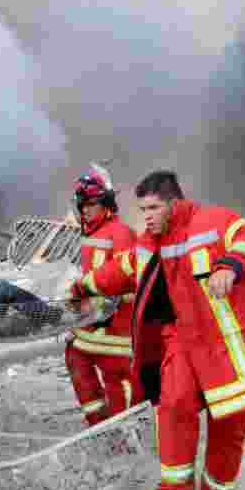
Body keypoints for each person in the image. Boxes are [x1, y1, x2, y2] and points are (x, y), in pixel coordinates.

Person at [69, 170, 245, 490]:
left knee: (228, 428)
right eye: (142, 209)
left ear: (174, 202)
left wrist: (233, 265)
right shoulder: (147, 242)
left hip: (224, 346)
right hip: (181, 342)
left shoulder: (214, 222)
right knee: (172, 407)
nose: (148, 216)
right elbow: (120, 270)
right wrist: (82, 286)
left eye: (154, 207)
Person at [64, 164, 140, 426]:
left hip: (116, 328)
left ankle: (126, 430)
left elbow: (126, 276)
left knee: (117, 378)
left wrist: (85, 290)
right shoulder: (92, 234)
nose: (85, 210)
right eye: (82, 204)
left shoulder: (121, 234)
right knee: (74, 355)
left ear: (106, 203)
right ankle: (99, 424)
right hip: (91, 323)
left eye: (92, 204)